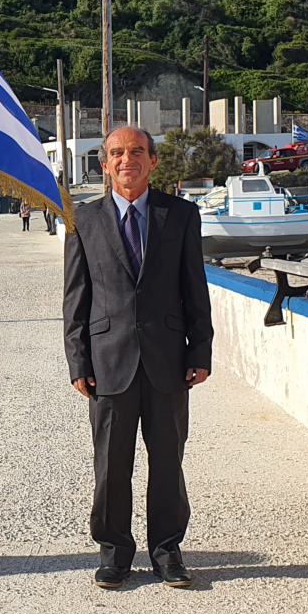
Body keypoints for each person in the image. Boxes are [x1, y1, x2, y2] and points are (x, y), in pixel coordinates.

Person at [63, 127, 213, 590]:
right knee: (111, 463)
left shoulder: (182, 215)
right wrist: (78, 362)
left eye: (136, 152)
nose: (127, 159)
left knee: (168, 460)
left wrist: (201, 349)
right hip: (109, 361)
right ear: (105, 165)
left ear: (152, 161)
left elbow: (195, 288)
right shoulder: (83, 220)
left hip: (168, 359)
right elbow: (75, 299)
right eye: (117, 153)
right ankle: (114, 553)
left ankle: (167, 551)